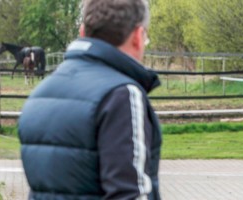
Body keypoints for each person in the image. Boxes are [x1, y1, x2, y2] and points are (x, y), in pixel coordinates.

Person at [18, 0, 161, 199]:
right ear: (138, 36)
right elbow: (130, 194)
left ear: (83, 32)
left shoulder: (39, 94)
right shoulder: (122, 95)